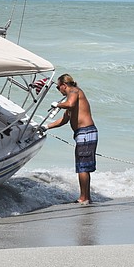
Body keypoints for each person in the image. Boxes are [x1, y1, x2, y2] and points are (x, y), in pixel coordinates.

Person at [43, 74, 98, 204]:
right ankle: (85, 197)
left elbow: (70, 104)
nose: (59, 90)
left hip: (86, 132)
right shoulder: (70, 98)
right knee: (82, 166)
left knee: (83, 167)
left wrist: (58, 104)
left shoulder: (74, 91)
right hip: (82, 133)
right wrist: (46, 127)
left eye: (58, 87)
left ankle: (84, 198)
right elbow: (64, 120)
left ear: (63, 85)